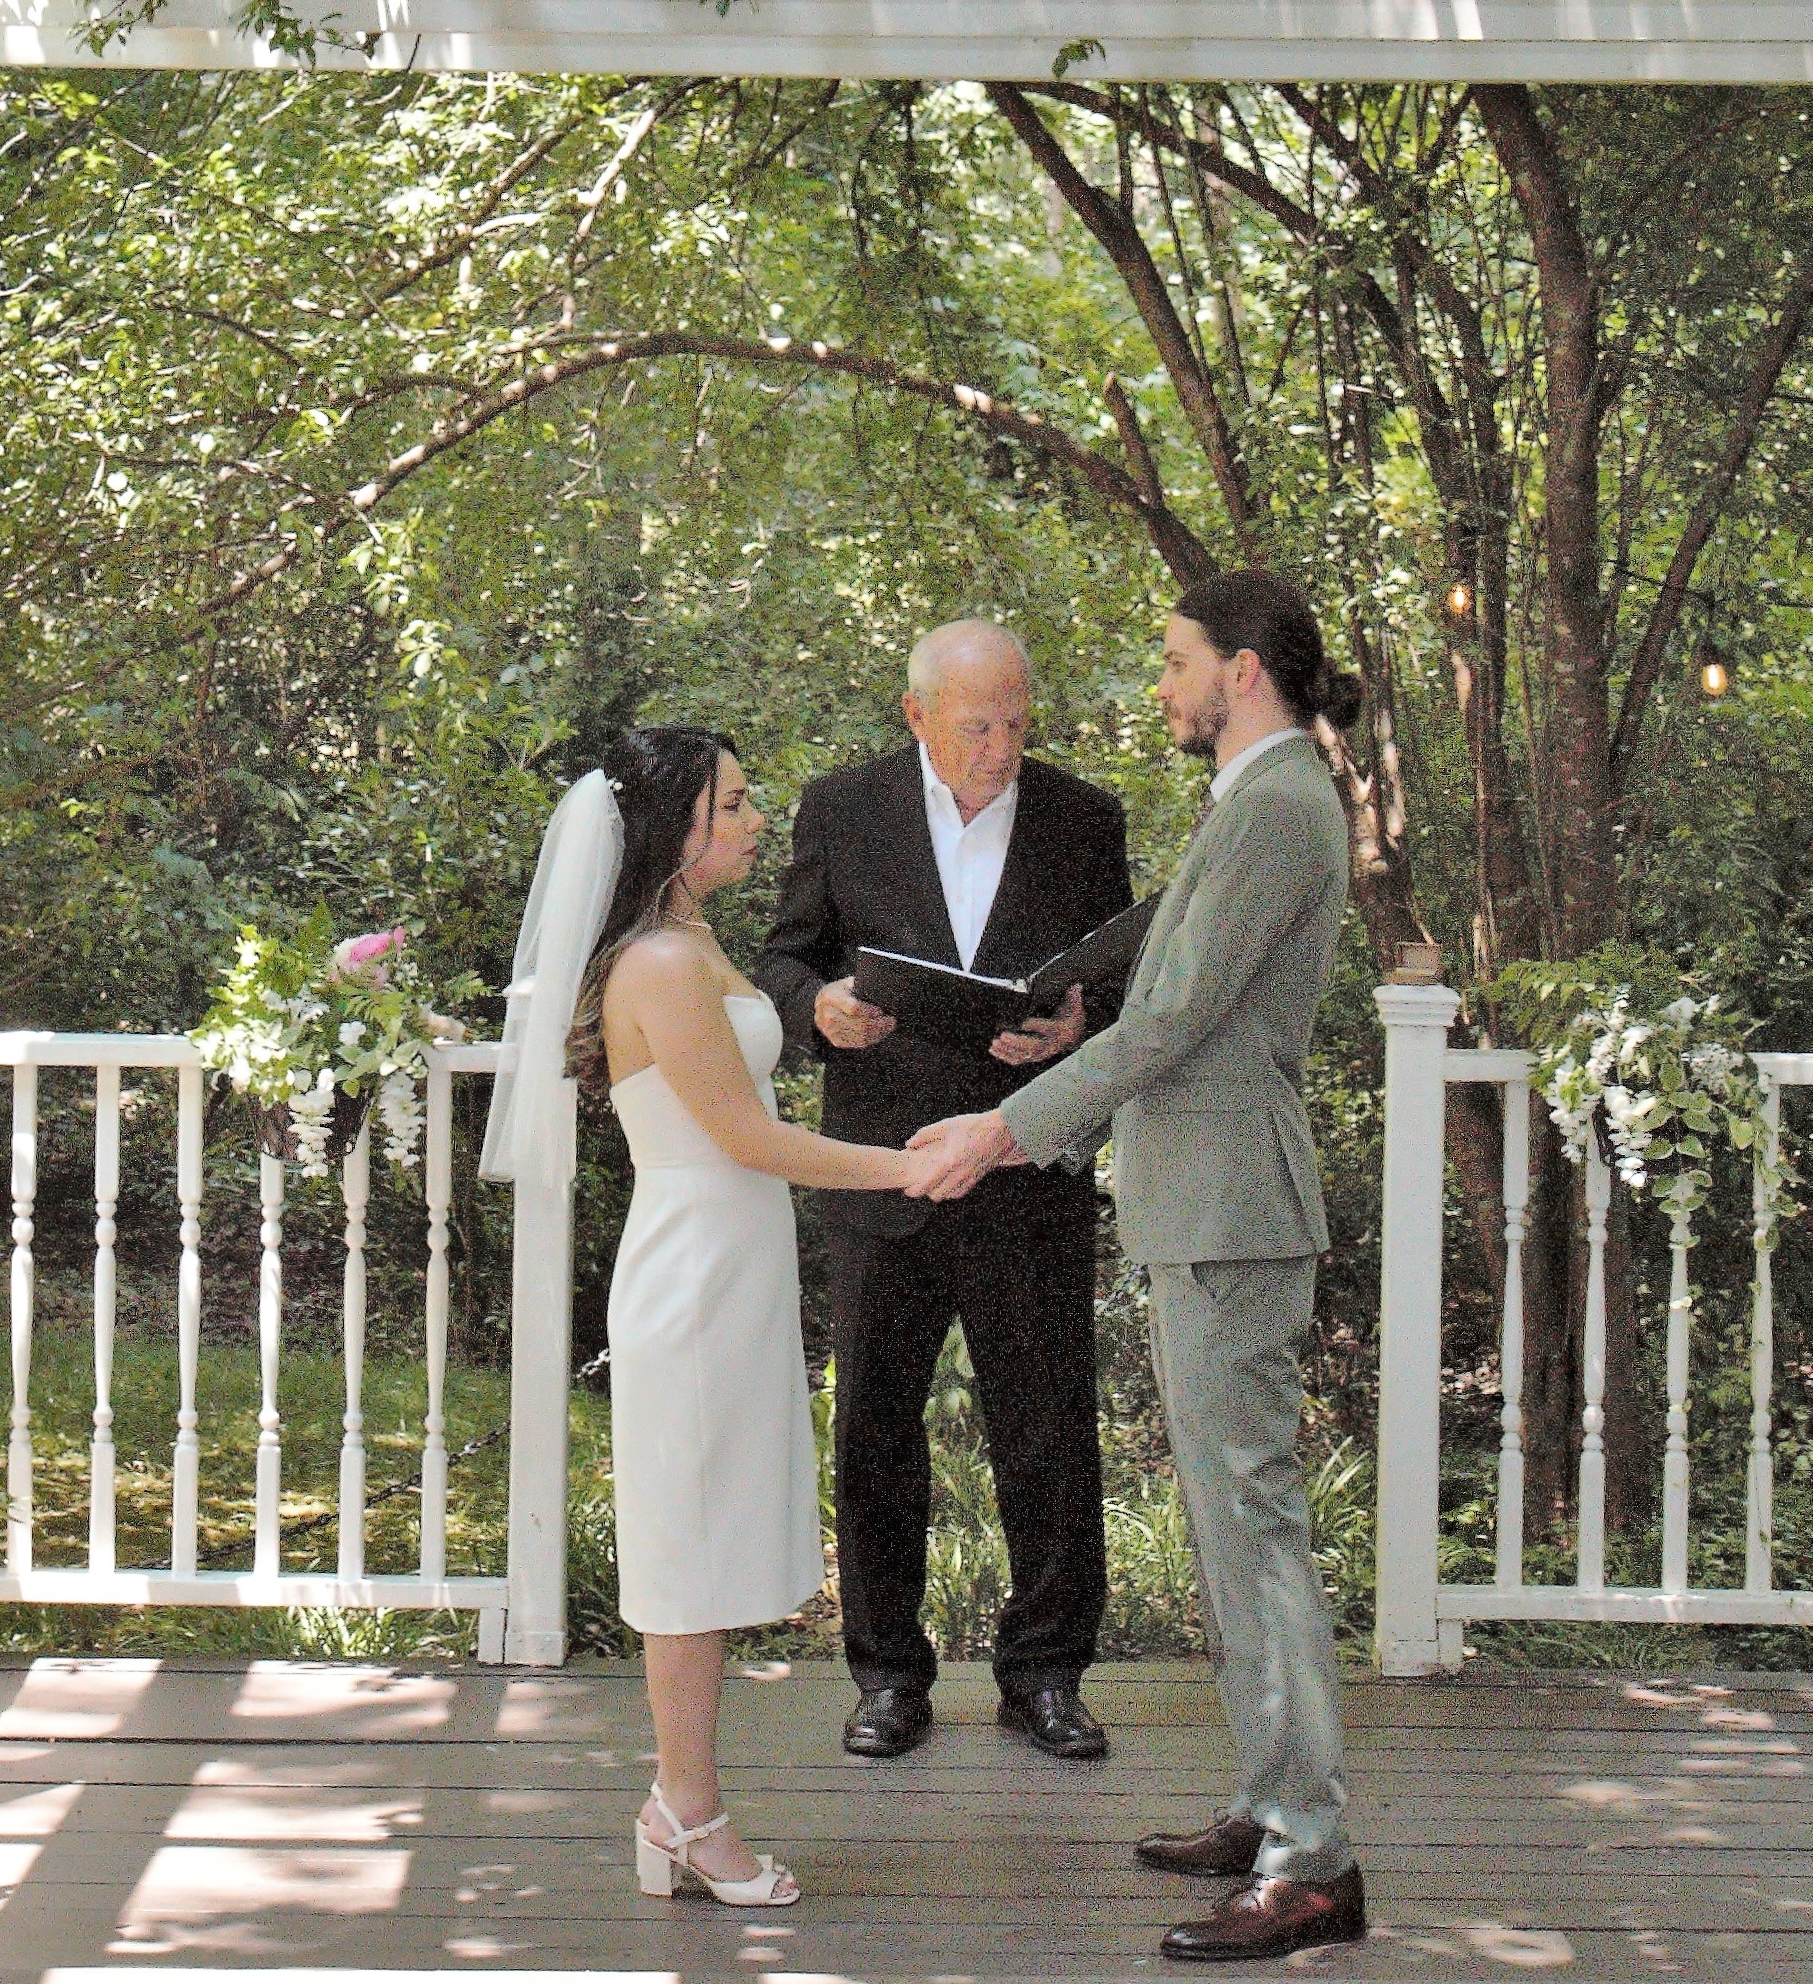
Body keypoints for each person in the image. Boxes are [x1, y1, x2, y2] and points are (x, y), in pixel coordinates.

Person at [905, 573, 1371, 1964]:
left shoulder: (1281, 805)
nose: (1159, 684)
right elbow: (1181, 1011)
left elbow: (1170, 1020)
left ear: (1240, 671)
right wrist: (1062, 1054)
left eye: (1173, 660)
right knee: (1236, 1535)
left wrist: (1005, 1127)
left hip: (1232, 1210)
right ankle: (1267, 1798)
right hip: (1204, 1201)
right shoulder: (1258, 803)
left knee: (1255, 1533)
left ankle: (1311, 1859)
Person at [751, 620, 1139, 1766]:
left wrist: (1078, 1024)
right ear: (916, 712)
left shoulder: (1084, 815)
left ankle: (1048, 1673)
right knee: (876, 1422)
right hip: (882, 1169)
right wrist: (816, 1006)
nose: (1001, 745)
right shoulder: (842, 805)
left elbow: (1120, 988)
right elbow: (781, 959)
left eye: (1017, 720)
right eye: (977, 723)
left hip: (1025, 1168)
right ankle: (885, 1673)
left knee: (1052, 1426)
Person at [567, 724, 919, 1909]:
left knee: (707, 1544)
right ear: (676, 826)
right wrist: (911, 1165)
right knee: (685, 1554)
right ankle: (687, 1812)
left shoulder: (693, 939)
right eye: (735, 801)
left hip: (734, 1262)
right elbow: (747, 1136)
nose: (759, 817)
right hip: (694, 1271)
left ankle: (683, 1803)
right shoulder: (661, 963)